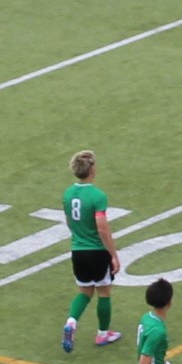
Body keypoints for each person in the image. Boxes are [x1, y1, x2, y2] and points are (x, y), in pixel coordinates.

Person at [62, 150, 122, 353]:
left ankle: (71, 322)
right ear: (92, 170)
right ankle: (103, 333)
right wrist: (113, 255)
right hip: (96, 251)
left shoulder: (68, 194)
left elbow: (69, 221)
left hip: (77, 250)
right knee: (104, 291)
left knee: (85, 291)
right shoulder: (97, 196)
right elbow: (102, 227)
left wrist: (79, 237)